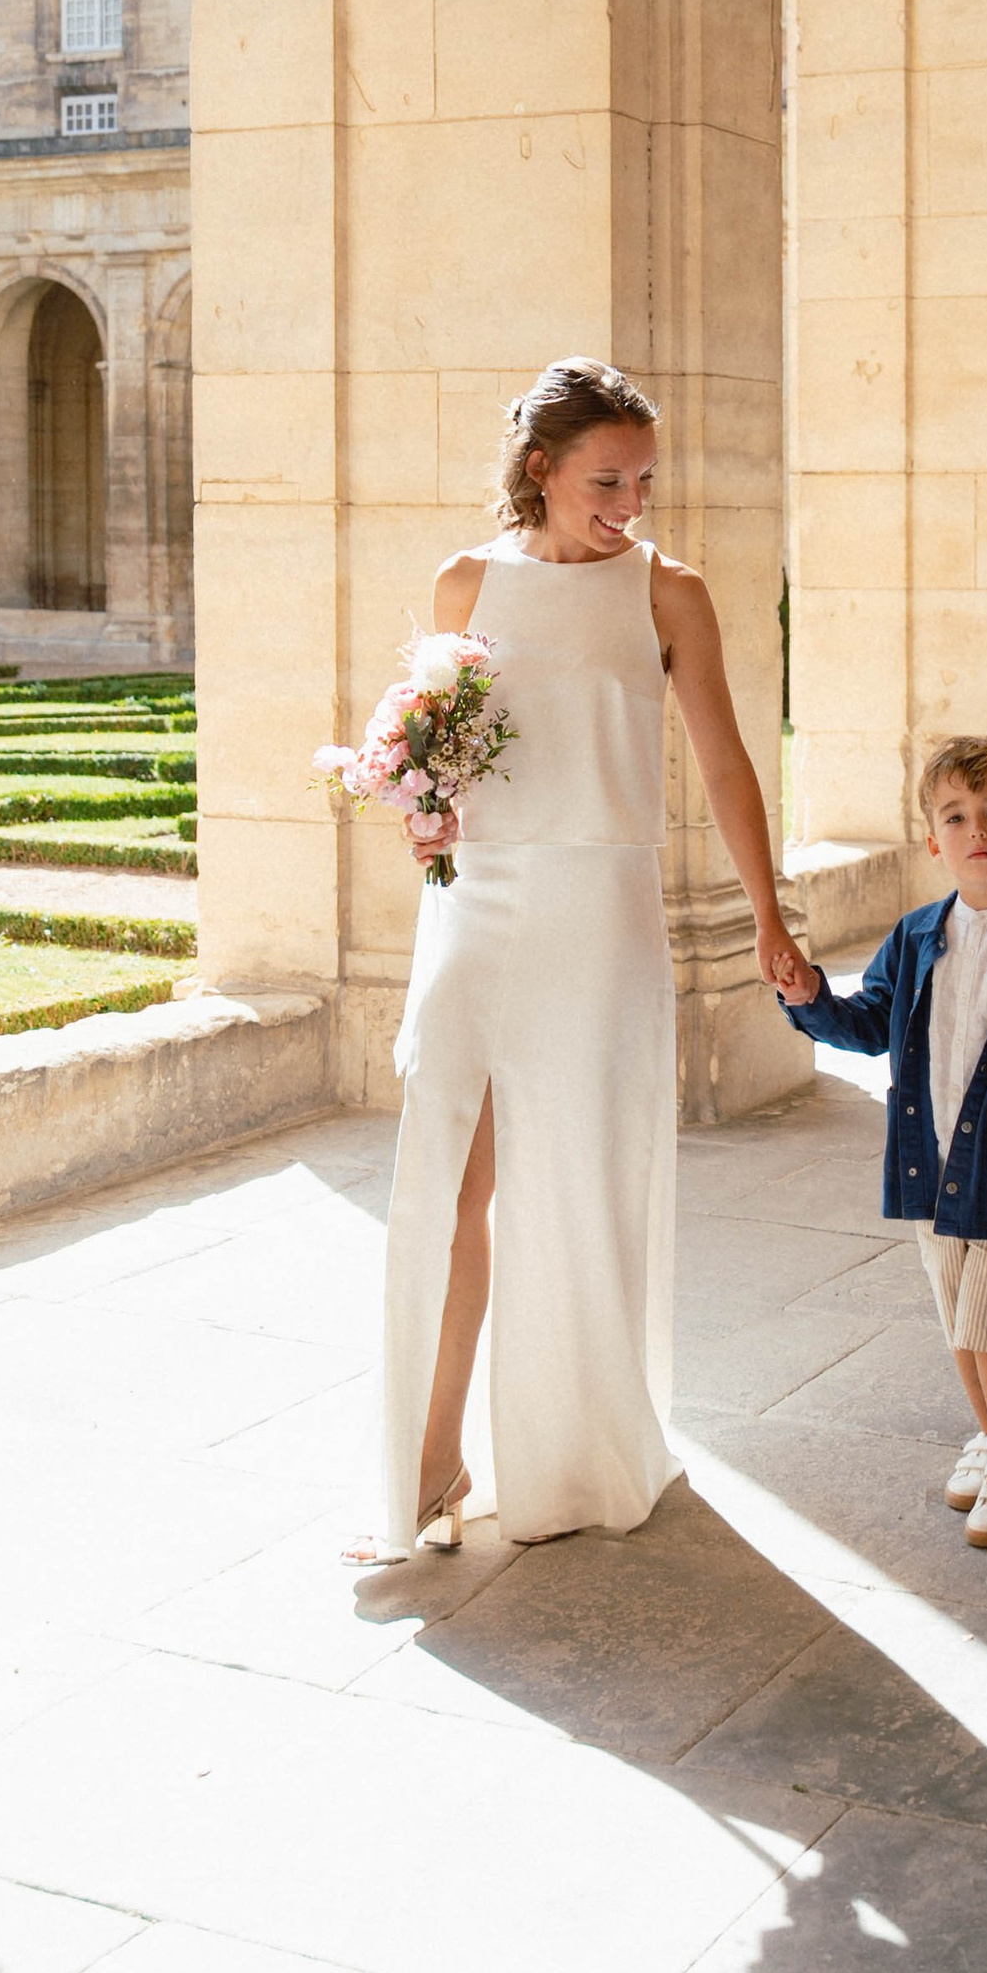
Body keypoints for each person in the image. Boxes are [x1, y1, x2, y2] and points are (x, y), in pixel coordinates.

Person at [360, 357, 800, 1555]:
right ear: (540, 469)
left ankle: (577, 1448)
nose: (632, 501)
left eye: (645, 478)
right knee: (448, 1181)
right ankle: (433, 1459)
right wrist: (422, 810)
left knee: (581, 1184)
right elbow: (440, 754)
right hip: (478, 903)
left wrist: (768, 917)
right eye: (609, 478)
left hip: (600, 912)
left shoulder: (670, 594)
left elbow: (722, 765)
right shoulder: (465, 582)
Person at [776, 739, 987, 1544]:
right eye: (956, 817)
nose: (977, 829)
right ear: (932, 839)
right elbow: (868, 1025)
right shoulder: (920, 935)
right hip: (932, 1167)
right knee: (959, 1319)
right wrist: (811, 994)